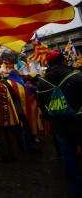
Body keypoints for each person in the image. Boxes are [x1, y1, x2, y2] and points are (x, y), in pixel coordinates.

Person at [36, 50, 82, 197]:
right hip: (80, 121)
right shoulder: (77, 76)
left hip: (59, 126)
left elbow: (42, 106)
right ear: (64, 61)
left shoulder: (41, 83)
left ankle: (76, 189)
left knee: (69, 157)